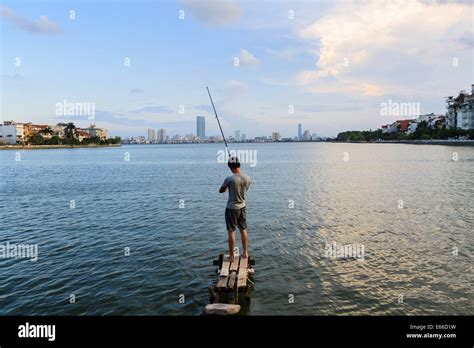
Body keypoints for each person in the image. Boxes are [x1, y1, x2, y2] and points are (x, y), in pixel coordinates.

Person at [219, 156, 251, 262]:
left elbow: (221, 190)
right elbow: (245, 189)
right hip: (242, 207)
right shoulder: (247, 178)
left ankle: (232, 256)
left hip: (231, 208)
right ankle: (245, 253)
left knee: (231, 231)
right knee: (243, 229)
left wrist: (229, 186)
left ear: (230, 167)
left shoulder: (229, 179)